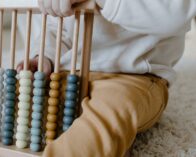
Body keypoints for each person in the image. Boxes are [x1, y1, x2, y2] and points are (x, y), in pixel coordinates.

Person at [17, 0, 196, 156]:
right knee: (22, 97)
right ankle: (112, 143)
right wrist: (44, 56)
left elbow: (176, 14)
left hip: (132, 78)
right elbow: (59, 27)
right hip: (72, 73)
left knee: (111, 113)